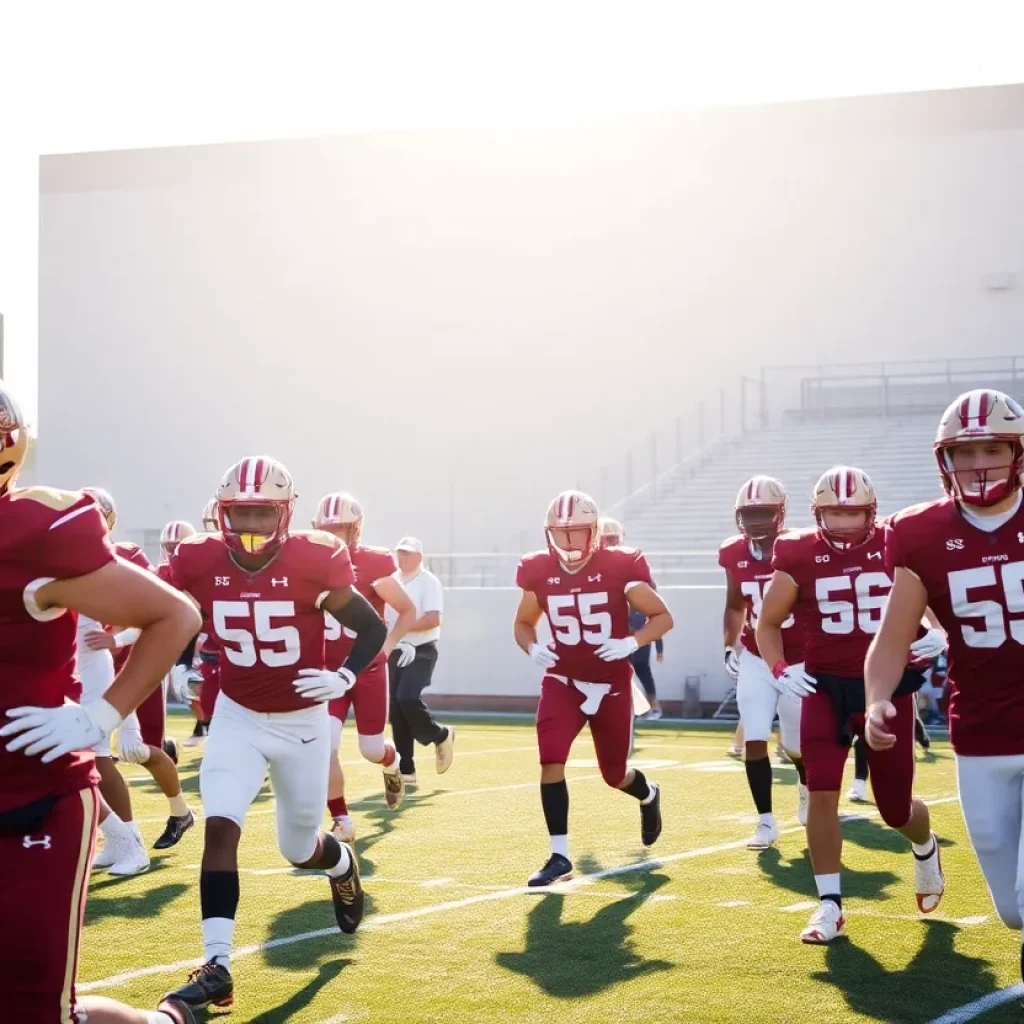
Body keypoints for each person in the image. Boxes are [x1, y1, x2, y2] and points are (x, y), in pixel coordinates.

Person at [0, 382, 203, 1024]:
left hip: (31, 802)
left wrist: (99, 716)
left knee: (37, 1010)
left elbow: (174, 615)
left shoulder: (28, 533)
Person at [161, 456, 386, 1011]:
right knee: (220, 826)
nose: (250, 527)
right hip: (237, 714)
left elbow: (372, 627)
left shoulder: (317, 557)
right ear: (220, 513)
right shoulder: (198, 558)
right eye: (239, 514)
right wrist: (185, 660)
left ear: (285, 513)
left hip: (301, 722)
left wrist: (343, 675)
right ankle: (218, 966)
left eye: (263, 513)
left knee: (296, 847)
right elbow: (175, 611)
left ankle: (338, 862)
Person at [866, 388, 1024, 986]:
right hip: (980, 729)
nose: (978, 464)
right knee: (1010, 911)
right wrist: (880, 697)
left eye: (991, 448)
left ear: (1018, 453)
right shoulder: (920, 533)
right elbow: (890, 637)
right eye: (965, 452)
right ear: (945, 461)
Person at [756, 466, 945, 944]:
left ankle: (924, 845)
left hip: (886, 688)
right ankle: (829, 908)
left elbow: (930, 592)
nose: (843, 524)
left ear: (871, 512)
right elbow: (767, 622)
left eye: (852, 513)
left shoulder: (896, 541)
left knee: (895, 808)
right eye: (833, 514)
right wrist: (781, 669)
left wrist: (940, 630)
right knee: (821, 791)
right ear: (817, 514)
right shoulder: (797, 552)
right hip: (824, 687)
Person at [514, 490, 673, 886]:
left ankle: (648, 794)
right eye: (560, 534)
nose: (568, 543)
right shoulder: (537, 569)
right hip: (562, 681)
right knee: (551, 759)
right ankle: (559, 856)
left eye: (577, 533)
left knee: (614, 773)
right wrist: (533, 647)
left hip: (611, 684)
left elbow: (662, 617)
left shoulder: (620, 565)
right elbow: (522, 623)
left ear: (595, 531)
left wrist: (632, 642)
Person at [80, 488, 196, 860]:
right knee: (105, 754)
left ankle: (176, 814)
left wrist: (117, 640)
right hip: (97, 668)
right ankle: (123, 838)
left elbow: (156, 616)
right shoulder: (65, 557)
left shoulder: (126, 555)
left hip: (139, 662)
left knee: (130, 750)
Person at [313, 492, 416, 839]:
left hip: (367, 670)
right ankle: (341, 818)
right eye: (327, 529)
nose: (333, 536)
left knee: (371, 749)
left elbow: (407, 609)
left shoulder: (373, 563)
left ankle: (391, 763)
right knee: (324, 747)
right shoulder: (306, 562)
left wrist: (386, 647)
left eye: (340, 529)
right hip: (329, 673)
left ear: (355, 531)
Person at [720, 475, 809, 849]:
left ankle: (807, 786)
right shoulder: (733, 552)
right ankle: (766, 822)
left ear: (780, 512)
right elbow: (735, 603)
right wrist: (729, 646)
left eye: (763, 512)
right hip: (756, 656)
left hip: (797, 660)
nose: (755, 521)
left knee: (796, 746)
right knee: (754, 737)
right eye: (749, 513)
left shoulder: (800, 547)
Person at [387, 536, 453, 784]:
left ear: (419, 557)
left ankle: (440, 735)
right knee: (396, 707)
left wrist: (401, 628)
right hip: (396, 649)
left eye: (408, 554)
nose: (403, 558)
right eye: (400, 553)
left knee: (407, 697)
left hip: (422, 649)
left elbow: (433, 618)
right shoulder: (391, 580)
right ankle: (406, 769)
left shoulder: (429, 582)